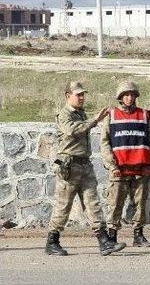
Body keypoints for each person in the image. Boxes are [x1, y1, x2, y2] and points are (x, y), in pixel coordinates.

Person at [45, 82, 126, 256]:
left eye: (83, 94)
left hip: (84, 164)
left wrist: (93, 120)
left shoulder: (81, 114)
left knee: (93, 204)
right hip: (69, 165)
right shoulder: (64, 114)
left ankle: (104, 241)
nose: (82, 98)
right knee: (63, 206)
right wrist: (95, 120)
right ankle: (52, 241)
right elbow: (72, 130)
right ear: (68, 95)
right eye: (78, 94)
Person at [101, 81, 150, 248]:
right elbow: (104, 142)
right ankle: (112, 237)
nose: (129, 98)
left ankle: (138, 235)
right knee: (115, 204)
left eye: (132, 95)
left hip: (141, 168)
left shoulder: (144, 115)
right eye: (126, 95)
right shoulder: (111, 115)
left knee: (140, 204)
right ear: (120, 98)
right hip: (119, 169)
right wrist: (112, 165)